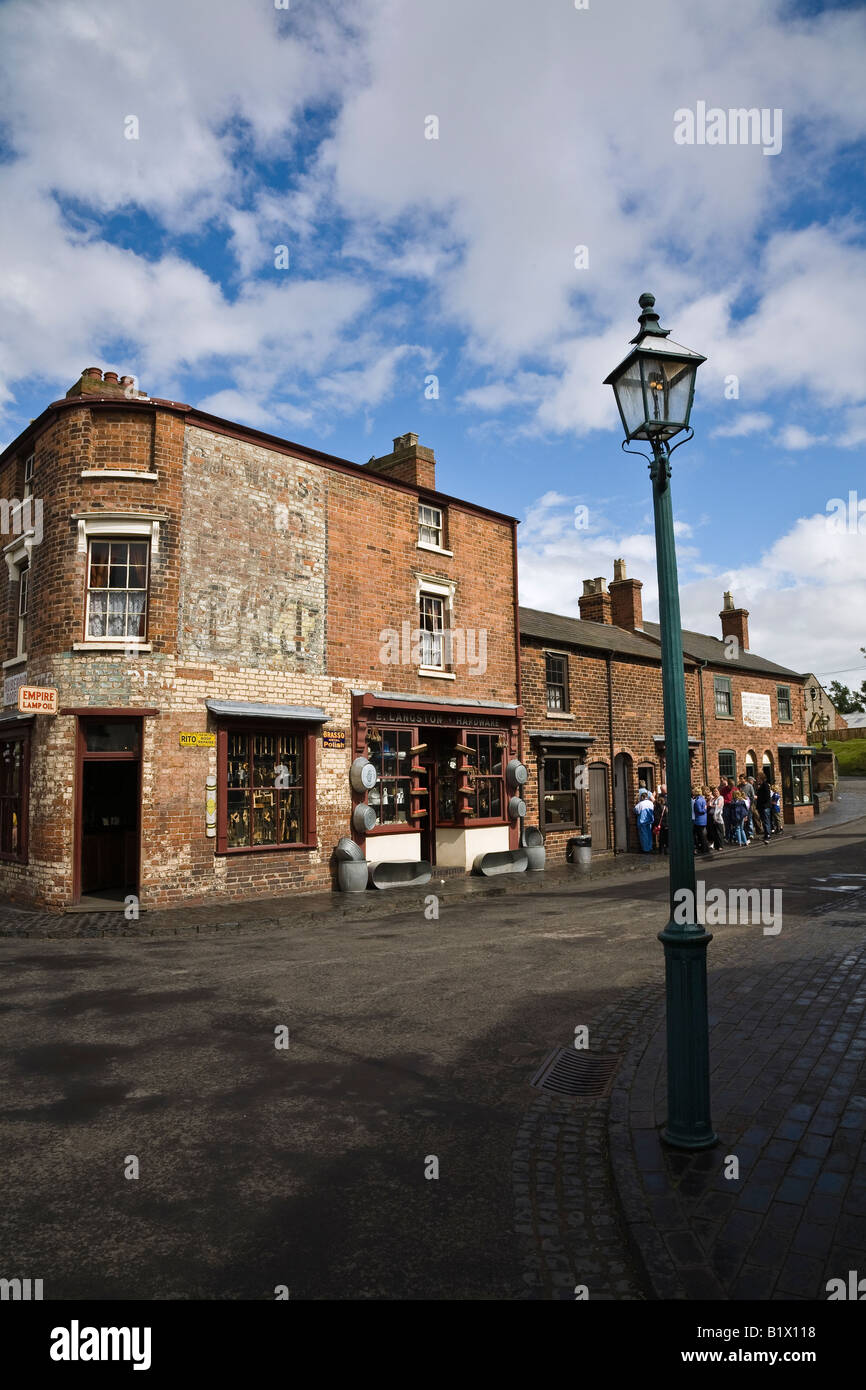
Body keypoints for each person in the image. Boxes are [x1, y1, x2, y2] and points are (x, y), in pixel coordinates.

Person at [634, 788, 655, 854]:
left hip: (642, 822)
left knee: (644, 835)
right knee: (649, 835)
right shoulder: (651, 803)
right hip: (650, 821)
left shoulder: (641, 804)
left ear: (642, 797)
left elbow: (635, 810)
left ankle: (645, 849)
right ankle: (650, 847)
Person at [692, 786, 712, 855]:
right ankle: (705, 849)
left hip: (699, 820)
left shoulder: (697, 801)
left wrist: (704, 810)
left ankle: (704, 850)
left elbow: (700, 810)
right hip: (703, 819)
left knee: (702, 836)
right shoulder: (703, 799)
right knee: (703, 835)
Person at [756, 771, 772, 843]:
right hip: (761, 806)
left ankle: (768, 835)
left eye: (758, 778)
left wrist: (758, 797)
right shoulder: (761, 785)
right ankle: (766, 834)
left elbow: (767, 796)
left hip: (765, 806)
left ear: (761, 778)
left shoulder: (765, 785)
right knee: (764, 821)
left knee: (766, 821)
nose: (757, 779)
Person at [708, 785, 725, 850]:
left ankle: (721, 846)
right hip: (711, 816)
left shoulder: (720, 798)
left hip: (717, 816)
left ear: (719, 792)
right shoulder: (712, 798)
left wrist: (711, 805)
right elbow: (707, 804)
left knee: (719, 832)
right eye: (714, 791)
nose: (716, 792)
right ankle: (716, 845)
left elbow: (719, 805)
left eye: (716, 791)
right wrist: (710, 799)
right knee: (714, 832)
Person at [720, 777, 735, 843]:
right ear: (728, 785)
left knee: (734, 823)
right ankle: (727, 837)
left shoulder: (735, 789)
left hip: (734, 808)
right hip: (726, 808)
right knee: (727, 823)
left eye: (732, 787)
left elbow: (738, 796)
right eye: (730, 787)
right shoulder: (723, 790)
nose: (731, 788)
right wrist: (728, 802)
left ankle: (733, 837)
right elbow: (722, 799)